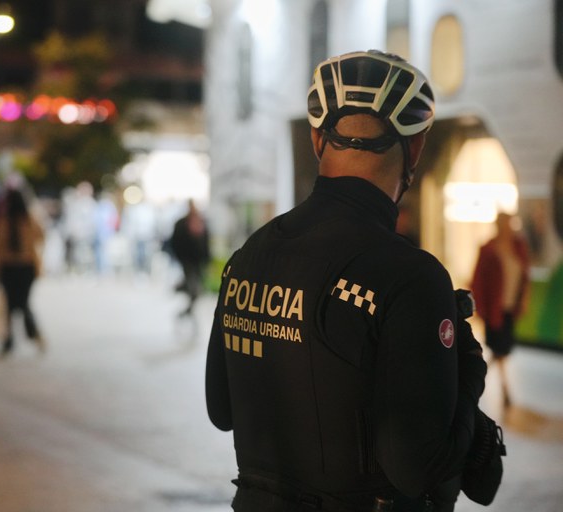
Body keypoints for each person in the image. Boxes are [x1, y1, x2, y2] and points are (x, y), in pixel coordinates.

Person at [205, 50, 488, 512]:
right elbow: (416, 468)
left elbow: (221, 410)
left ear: (318, 139)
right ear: (416, 147)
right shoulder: (410, 276)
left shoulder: (249, 256)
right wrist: (470, 374)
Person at [471, 212, 530, 408]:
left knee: (500, 349)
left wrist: (524, 298)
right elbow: (478, 280)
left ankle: (479, 374)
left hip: (510, 307)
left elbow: (525, 275)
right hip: (494, 309)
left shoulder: (518, 246)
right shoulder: (488, 249)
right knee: (500, 348)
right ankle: (504, 389)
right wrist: (480, 308)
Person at [0, 188, 46, 356]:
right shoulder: (30, 219)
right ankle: (30, 336)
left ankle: (12, 340)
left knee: (13, 304)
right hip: (26, 267)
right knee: (22, 304)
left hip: (10, 268)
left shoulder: (4, 221)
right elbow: (42, 235)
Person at [169, 199, 210, 316]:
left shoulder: (201, 221)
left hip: (198, 261)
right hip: (187, 260)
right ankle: (187, 307)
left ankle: (187, 304)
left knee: (197, 287)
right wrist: (180, 257)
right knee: (194, 287)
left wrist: (207, 258)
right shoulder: (182, 223)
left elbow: (206, 242)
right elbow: (175, 241)